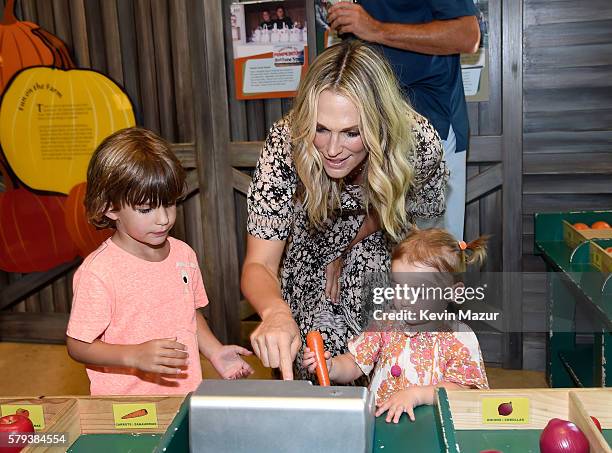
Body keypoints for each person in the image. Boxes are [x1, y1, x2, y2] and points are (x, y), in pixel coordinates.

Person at [242, 40, 448, 381]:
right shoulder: (285, 143)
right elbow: (260, 263)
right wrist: (275, 312)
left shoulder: (417, 142)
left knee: (391, 360)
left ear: (380, 126)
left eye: (352, 133)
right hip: (308, 249)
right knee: (312, 354)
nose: (333, 150)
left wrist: (348, 244)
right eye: (320, 130)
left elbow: (419, 229)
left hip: (384, 244)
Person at [66, 127, 253, 395]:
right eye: (146, 209)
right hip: (125, 410)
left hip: (184, 394)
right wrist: (134, 355)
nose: (163, 218)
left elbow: (188, 313)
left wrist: (215, 352)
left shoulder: (183, 255)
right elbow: (78, 345)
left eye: (169, 203)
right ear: (110, 208)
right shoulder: (99, 272)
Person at [327, 1, 480, 241]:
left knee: (430, 259)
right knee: (365, 257)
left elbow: (467, 35)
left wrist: (375, 29)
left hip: (427, 131)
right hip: (366, 133)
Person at [303, 228, 489, 422]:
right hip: (381, 421)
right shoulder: (385, 324)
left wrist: (417, 395)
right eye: (398, 287)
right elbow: (354, 363)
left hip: (429, 426)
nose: (405, 299)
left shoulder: (459, 338)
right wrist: (331, 366)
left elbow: (463, 391)